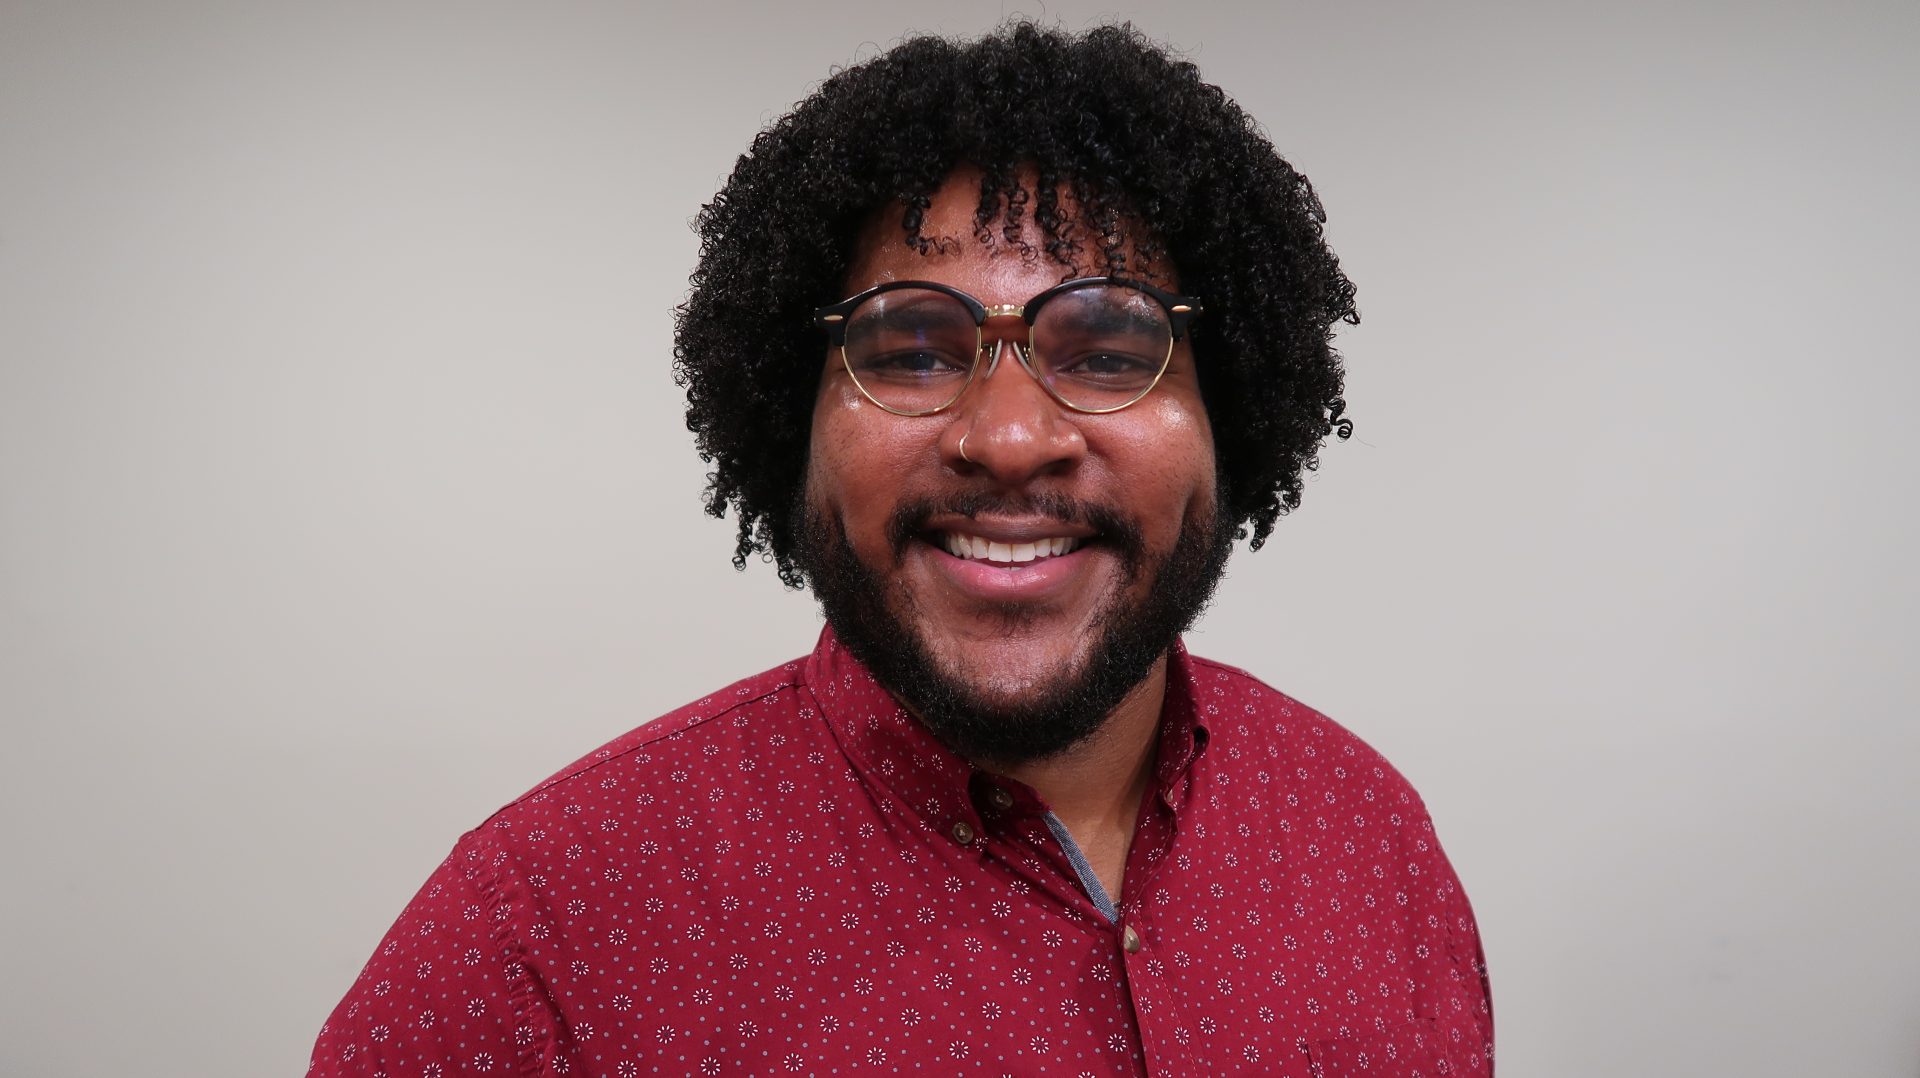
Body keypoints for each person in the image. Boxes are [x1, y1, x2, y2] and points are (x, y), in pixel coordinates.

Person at [310, 22, 1492, 1076]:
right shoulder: (535, 953)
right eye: (913, 350)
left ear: (1228, 412)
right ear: (796, 422)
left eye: (1108, 348)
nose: (1011, 438)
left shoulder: (1366, 834)